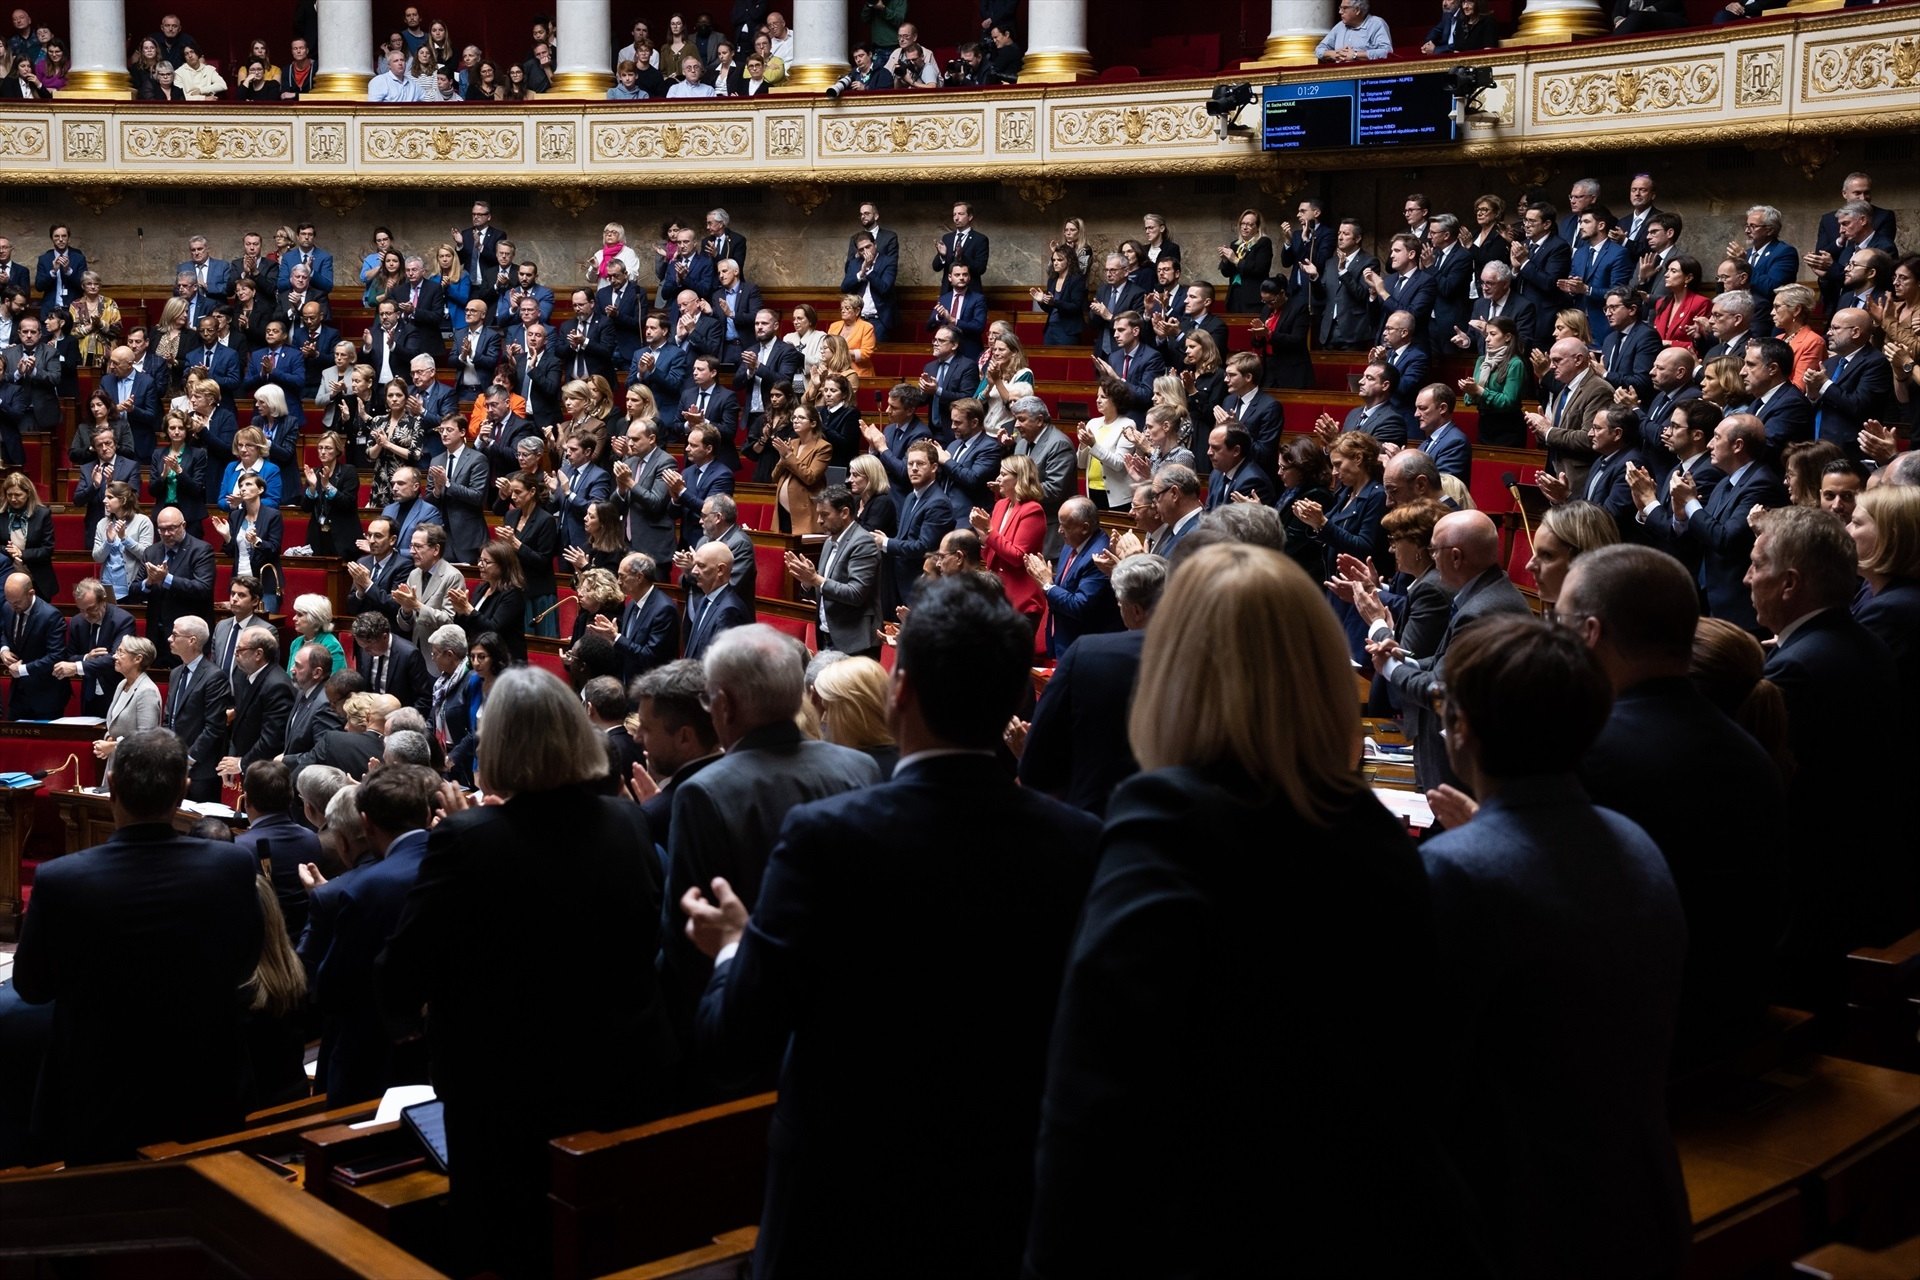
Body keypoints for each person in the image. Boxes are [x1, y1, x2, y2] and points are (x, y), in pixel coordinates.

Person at [1027, 544, 1474, 1276]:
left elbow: (1094, 1105)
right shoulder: (1372, 832)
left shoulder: (1163, 822)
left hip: (1216, 1227)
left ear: (1175, 673)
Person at [684, 578, 1094, 1275]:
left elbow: (737, 1036)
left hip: (844, 1205)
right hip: (1003, 1201)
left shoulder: (826, 839)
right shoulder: (1082, 843)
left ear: (897, 690)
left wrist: (731, 949)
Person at [1420, 614, 1689, 1277]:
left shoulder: (1457, 868)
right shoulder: (1632, 838)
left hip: (1518, 1224)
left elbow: (1419, 1075)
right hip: (1641, 1199)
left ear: (1461, 729)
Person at [1540, 545, 1790, 1070]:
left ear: (1589, 633)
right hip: (1733, 1019)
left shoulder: (1583, 752)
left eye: (1557, 621)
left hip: (1634, 1047)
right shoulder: (1751, 750)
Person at [12, 730, 261, 1165]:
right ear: (183, 790)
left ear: (111, 787)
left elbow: (32, 988)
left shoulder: (61, 880)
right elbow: (244, 963)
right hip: (202, 1085)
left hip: (97, 1092)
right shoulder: (232, 864)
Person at [661, 624, 882, 1052]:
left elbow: (686, 933)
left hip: (743, 1019)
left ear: (723, 705)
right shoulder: (860, 767)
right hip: (839, 1012)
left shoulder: (704, 792)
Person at [1751, 506, 1903, 1010]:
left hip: (1814, 897)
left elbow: (1772, 795)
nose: (1747, 577)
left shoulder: (1796, 669)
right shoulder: (1860, 639)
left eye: (1756, 564)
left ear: (1790, 583)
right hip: (1868, 876)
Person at [973, 454, 1048, 648]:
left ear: (1019, 478)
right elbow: (991, 553)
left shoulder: (1032, 510)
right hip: (996, 598)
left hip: (1021, 601)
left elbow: (1017, 557)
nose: (998, 478)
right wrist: (982, 536)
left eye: (1003, 474)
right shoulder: (1000, 505)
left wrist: (988, 531)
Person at [1317, 0, 1391, 61]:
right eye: (1340, 8)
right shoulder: (1340, 26)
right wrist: (1333, 54)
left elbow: (1387, 52)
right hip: (1339, 74)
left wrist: (1355, 55)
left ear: (1357, 10)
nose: (1340, 12)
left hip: (1365, 75)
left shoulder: (1376, 24)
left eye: (1344, 8)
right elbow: (1319, 50)